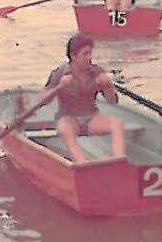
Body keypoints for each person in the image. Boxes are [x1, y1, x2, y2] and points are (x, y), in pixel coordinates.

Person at [37, 33, 126, 164]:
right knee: (65, 128)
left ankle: (118, 161)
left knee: (117, 124)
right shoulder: (60, 73)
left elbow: (112, 102)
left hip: (92, 117)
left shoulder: (97, 72)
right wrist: (59, 87)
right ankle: (82, 164)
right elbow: (43, 100)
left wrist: (107, 86)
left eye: (90, 53)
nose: (89, 58)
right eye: (85, 54)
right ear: (74, 56)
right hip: (68, 118)